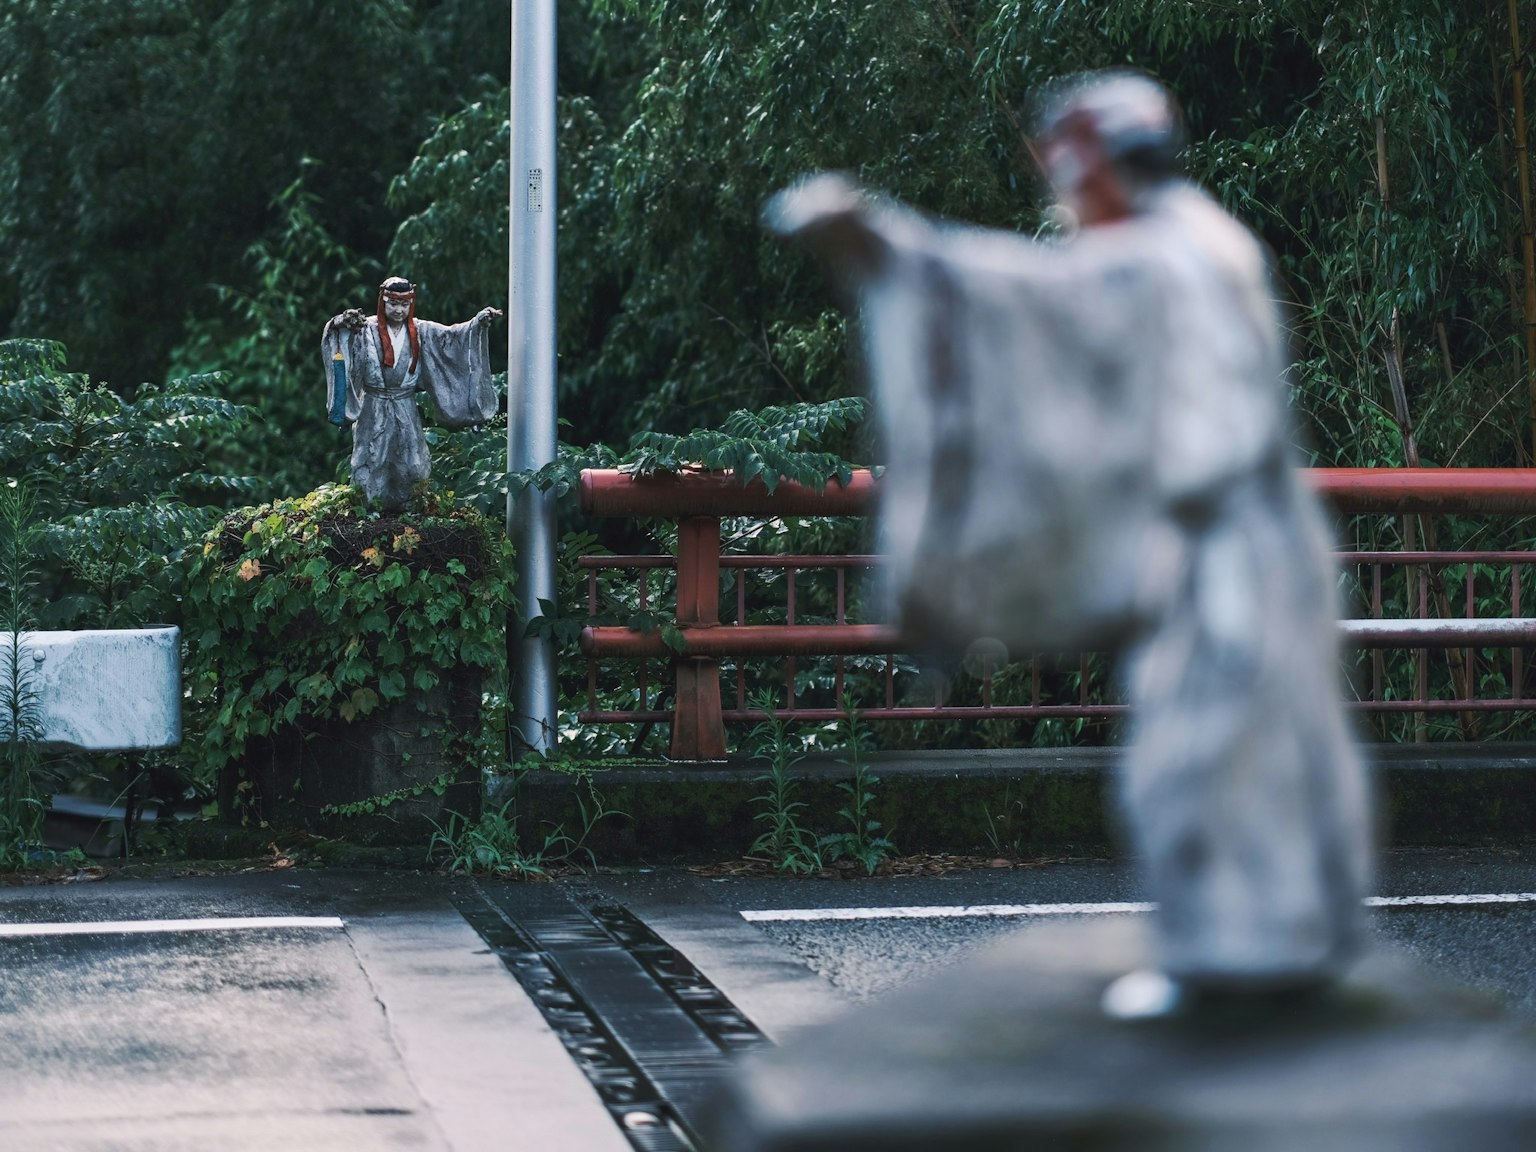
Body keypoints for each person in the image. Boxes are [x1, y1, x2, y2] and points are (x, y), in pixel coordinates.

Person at [767, 71, 1373, 1018]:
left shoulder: (1168, 256)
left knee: (1210, 750)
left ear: (1095, 168)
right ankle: (1274, 948)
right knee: (1251, 744)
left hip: (1226, 549)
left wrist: (893, 249)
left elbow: (1032, 303)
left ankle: (1240, 966)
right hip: (1235, 542)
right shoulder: (1195, 241)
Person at [321, 277, 502, 510]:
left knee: (413, 462)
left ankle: (411, 509)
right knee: (370, 459)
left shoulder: (421, 330)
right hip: (373, 404)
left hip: (405, 403)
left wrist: (477, 324)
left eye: (404, 305)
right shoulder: (364, 328)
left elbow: (453, 337)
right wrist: (342, 322)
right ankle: (368, 510)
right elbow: (336, 336)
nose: (399, 310)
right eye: (393, 304)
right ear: (382, 302)